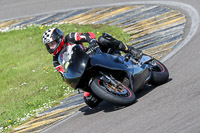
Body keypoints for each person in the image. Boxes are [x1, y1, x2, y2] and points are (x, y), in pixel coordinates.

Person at [42, 28, 142, 108]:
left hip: (93, 56)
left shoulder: (70, 38)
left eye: (52, 44)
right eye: (49, 46)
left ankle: (131, 50)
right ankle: (109, 91)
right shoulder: (56, 60)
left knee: (103, 39)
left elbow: (88, 35)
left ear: (59, 38)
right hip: (82, 70)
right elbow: (63, 74)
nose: (51, 48)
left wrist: (92, 43)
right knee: (89, 101)